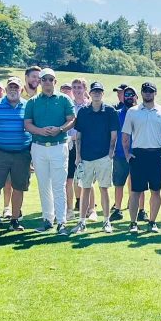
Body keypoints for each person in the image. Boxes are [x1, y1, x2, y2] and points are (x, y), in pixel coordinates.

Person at [24, 68, 76, 233]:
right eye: (44, 79)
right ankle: (48, 219)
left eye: (50, 79)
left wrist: (60, 129)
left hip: (59, 146)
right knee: (43, 185)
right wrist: (39, 131)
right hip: (38, 147)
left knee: (58, 185)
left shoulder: (64, 99)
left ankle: (61, 222)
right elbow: (27, 124)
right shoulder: (33, 102)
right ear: (40, 82)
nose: (47, 82)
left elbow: (72, 120)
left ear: (55, 81)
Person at [122, 82, 161, 234]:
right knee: (135, 192)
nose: (148, 94)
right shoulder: (133, 111)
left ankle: (152, 222)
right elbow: (125, 135)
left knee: (156, 190)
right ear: (142, 93)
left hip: (157, 155)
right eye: (145, 91)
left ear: (155, 93)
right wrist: (127, 154)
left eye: (150, 91)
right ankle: (133, 223)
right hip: (138, 155)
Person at [0, 77, 32, 232]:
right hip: (0, 153)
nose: (13, 90)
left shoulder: (28, 106)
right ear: (6, 89)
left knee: (19, 187)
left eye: (16, 87)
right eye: (10, 87)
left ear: (21, 90)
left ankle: (15, 220)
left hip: (22, 154)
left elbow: (32, 128)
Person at [72, 82, 118, 233]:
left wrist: (111, 153)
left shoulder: (110, 111)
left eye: (99, 91)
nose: (97, 94)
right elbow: (78, 135)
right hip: (86, 157)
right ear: (89, 94)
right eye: (94, 91)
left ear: (102, 94)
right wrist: (78, 156)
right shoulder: (83, 112)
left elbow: (114, 135)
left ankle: (106, 221)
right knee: (85, 189)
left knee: (104, 188)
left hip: (104, 156)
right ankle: (82, 221)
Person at [110, 86, 138, 220]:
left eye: (132, 95)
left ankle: (141, 210)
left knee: (137, 184)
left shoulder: (140, 113)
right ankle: (117, 209)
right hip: (120, 154)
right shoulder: (117, 113)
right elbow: (113, 134)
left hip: (138, 154)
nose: (129, 97)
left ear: (136, 97)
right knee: (119, 184)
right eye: (126, 95)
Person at [66, 77, 90, 221]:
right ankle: (69, 210)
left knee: (86, 179)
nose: (76, 90)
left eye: (79, 87)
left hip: (85, 145)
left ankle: (89, 209)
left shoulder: (89, 106)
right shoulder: (68, 105)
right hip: (69, 145)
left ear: (84, 89)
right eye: (74, 87)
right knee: (68, 179)